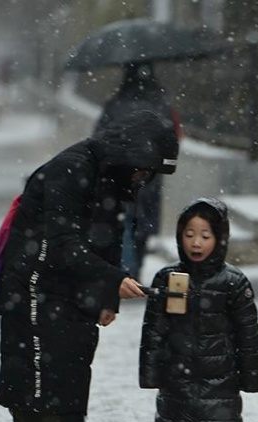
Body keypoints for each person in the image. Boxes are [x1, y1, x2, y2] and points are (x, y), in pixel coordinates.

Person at [0, 109, 179, 422]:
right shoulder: (71, 169)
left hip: (70, 290)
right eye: (144, 171)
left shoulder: (112, 174)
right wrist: (110, 279)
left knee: (72, 375)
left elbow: (108, 235)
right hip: (37, 287)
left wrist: (105, 297)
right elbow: (63, 242)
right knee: (54, 380)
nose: (142, 180)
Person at [139, 197, 258, 422]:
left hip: (220, 373)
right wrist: (150, 371)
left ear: (219, 239)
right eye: (189, 234)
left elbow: (248, 334)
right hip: (177, 372)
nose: (196, 243)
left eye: (205, 236)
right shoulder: (168, 279)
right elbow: (153, 331)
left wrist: (250, 375)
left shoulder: (233, 283)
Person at [95, 62, 182, 281]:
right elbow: (173, 138)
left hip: (120, 174)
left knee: (124, 221)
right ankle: (135, 268)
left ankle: (127, 270)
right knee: (143, 224)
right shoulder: (161, 104)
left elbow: (99, 137)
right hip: (150, 174)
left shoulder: (115, 104)